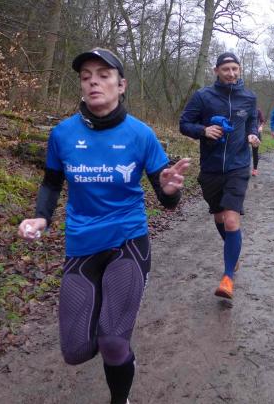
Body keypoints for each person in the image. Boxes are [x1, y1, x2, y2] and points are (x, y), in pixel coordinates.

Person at [17, 48, 191, 404]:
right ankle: (106, 325)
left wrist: (171, 190)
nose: (93, 82)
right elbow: (51, 183)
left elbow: (167, 198)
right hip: (81, 243)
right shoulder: (62, 134)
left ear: (121, 85)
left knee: (113, 340)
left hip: (128, 240)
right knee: (76, 350)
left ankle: (119, 397)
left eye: (103, 75)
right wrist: (42, 217)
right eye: (86, 77)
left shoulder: (141, 135)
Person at [179, 51, 260, 300]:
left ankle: (227, 278)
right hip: (211, 168)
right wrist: (203, 130)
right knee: (219, 218)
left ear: (240, 69)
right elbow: (184, 123)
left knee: (231, 220)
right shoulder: (203, 96)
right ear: (216, 71)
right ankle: (232, 252)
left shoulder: (249, 97)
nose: (231, 73)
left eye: (235, 69)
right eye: (226, 69)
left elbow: (252, 124)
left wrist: (254, 135)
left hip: (238, 166)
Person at [251, 108, 264, 176]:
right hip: (245, 133)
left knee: (255, 152)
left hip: (256, 133)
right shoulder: (244, 109)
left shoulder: (258, 111)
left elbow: (262, 121)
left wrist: (261, 127)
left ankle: (255, 169)